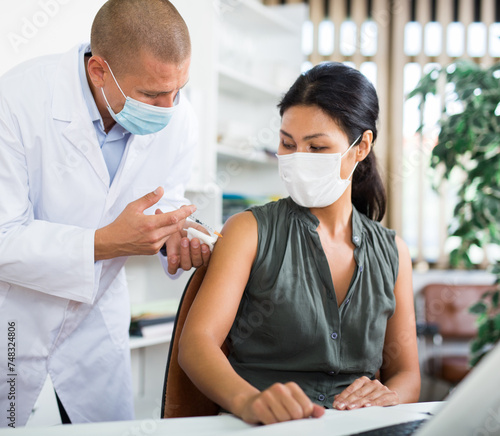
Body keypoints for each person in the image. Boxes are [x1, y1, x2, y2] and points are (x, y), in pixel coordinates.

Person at [0, 0, 211, 427]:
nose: (169, 108)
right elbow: (4, 236)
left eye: (178, 90)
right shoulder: (17, 101)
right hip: (14, 320)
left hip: (97, 317)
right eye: (152, 94)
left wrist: (174, 235)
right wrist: (107, 242)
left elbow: (164, 199)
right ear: (99, 71)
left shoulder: (179, 118)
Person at [178, 63, 421, 425]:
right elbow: (196, 344)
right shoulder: (248, 231)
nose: (297, 159)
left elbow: (408, 373)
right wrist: (248, 401)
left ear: (361, 147)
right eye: (287, 144)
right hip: (264, 426)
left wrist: (390, 395)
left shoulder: (393, 252)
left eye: (317, 147)